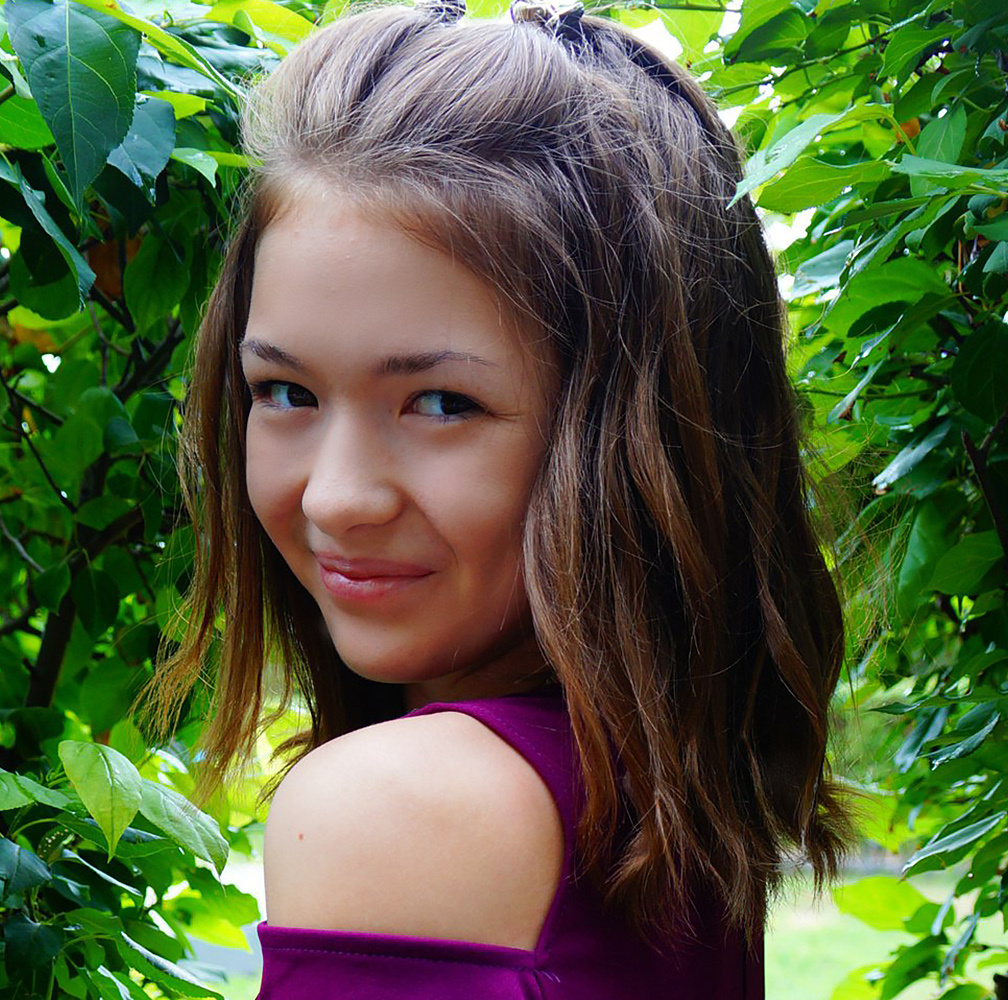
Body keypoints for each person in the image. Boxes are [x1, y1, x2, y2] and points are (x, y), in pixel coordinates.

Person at [134, 0, 852, 994]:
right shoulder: (655, 801)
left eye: (441, 404)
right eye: (286, 392)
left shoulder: (405, 808)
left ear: (634, 441)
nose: (336, 498)